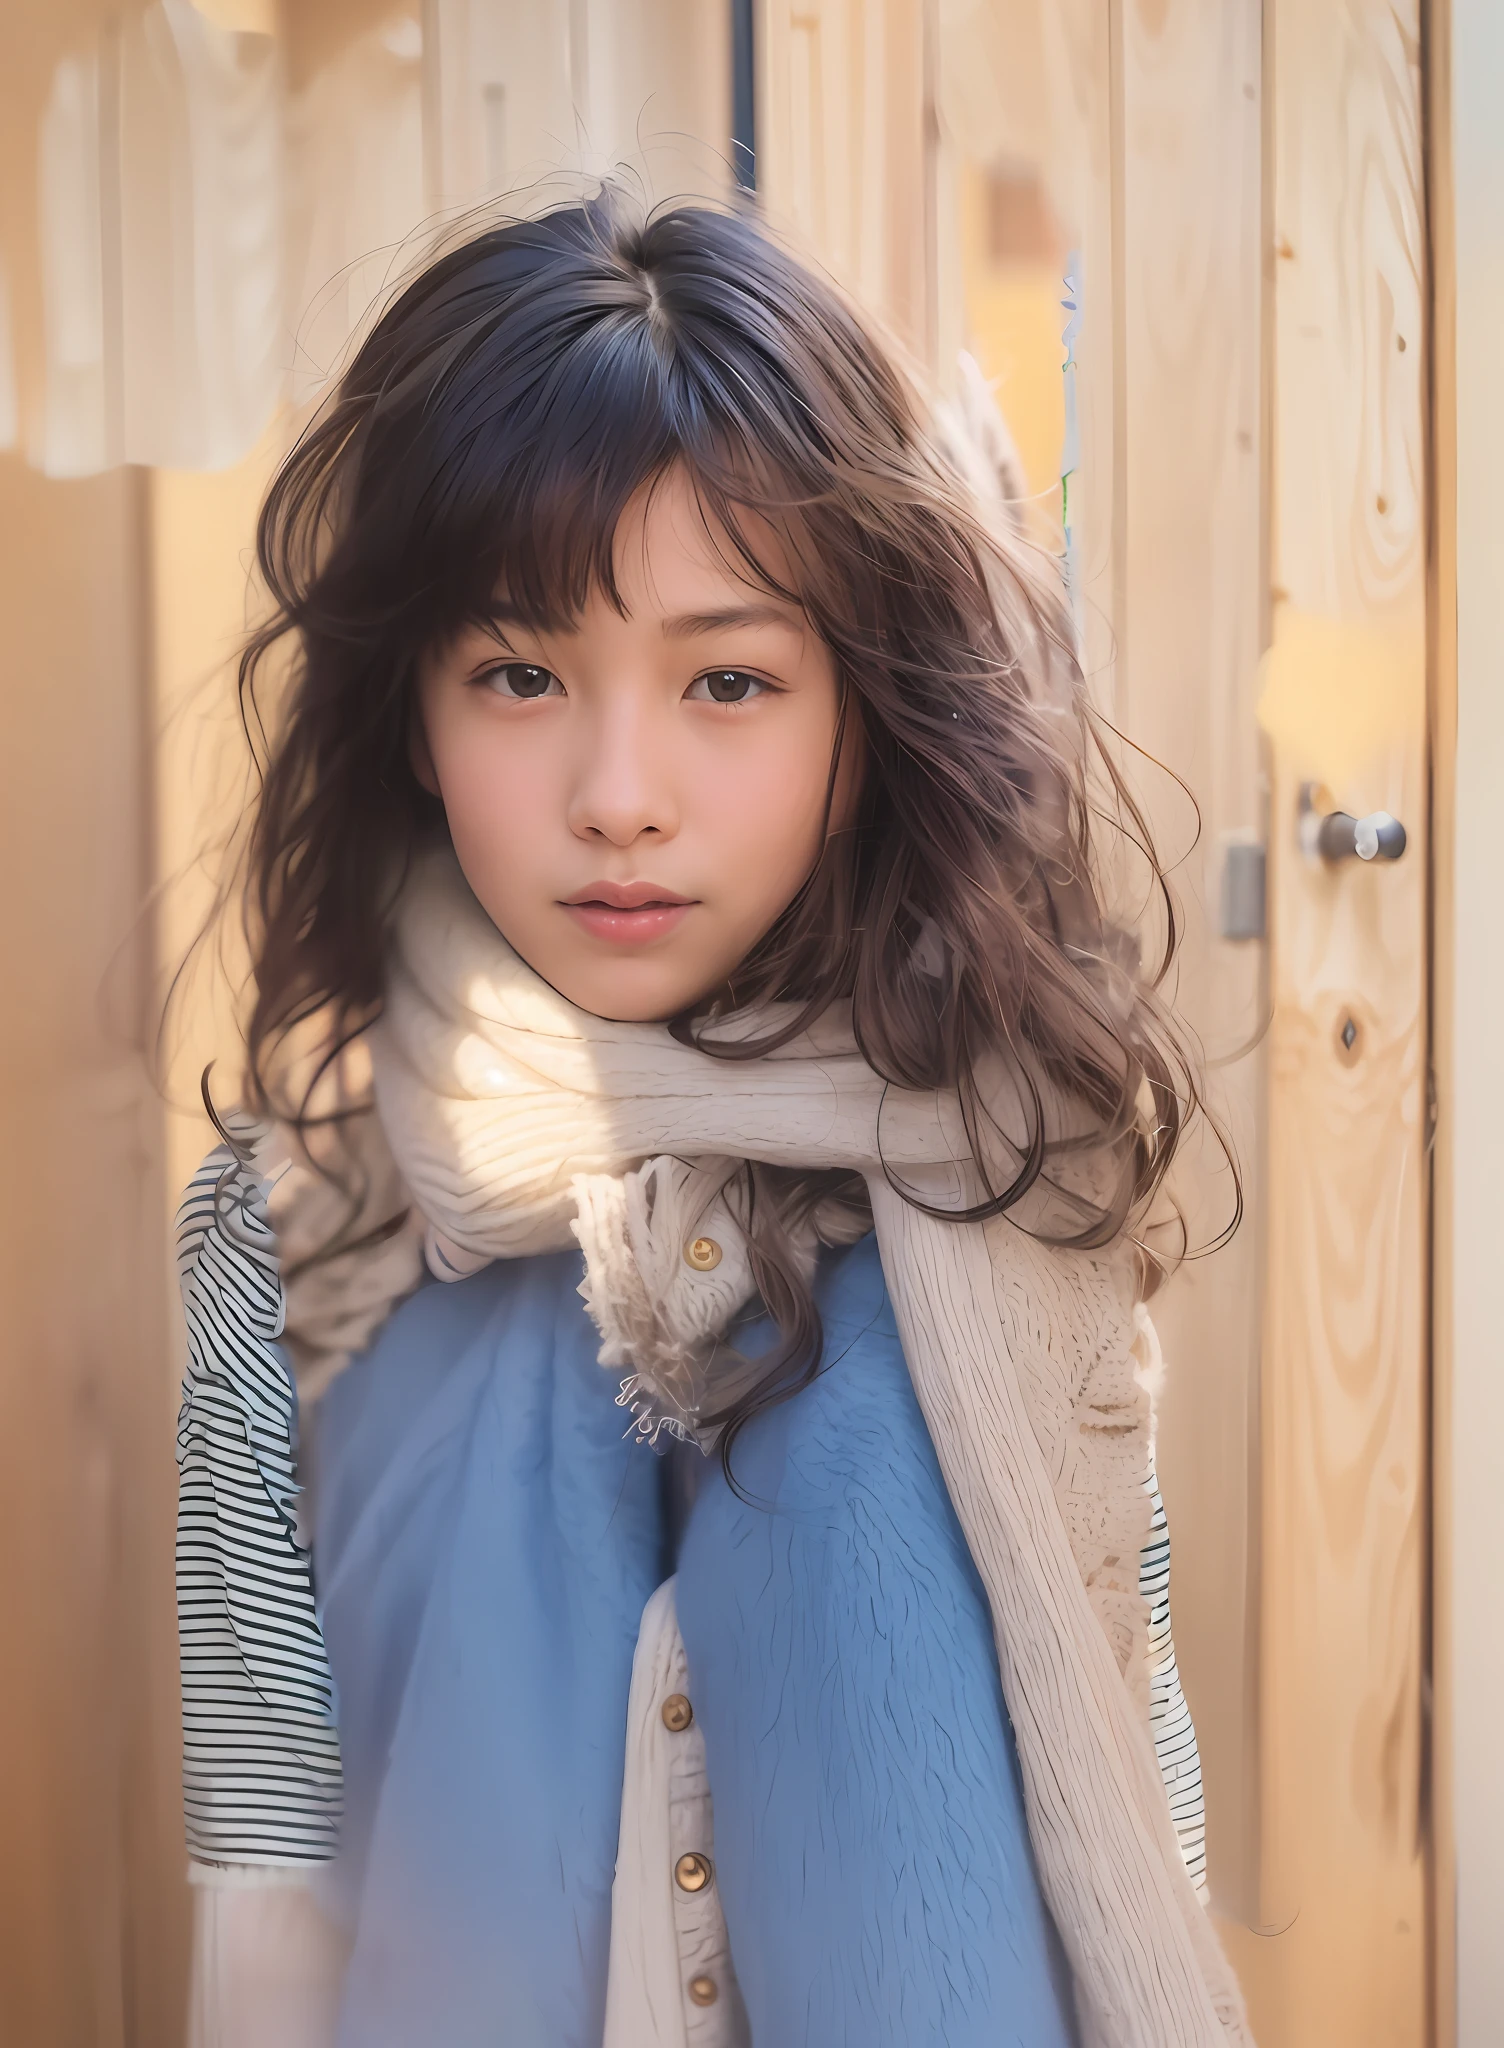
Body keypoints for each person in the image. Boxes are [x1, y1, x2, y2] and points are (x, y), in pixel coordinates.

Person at [175, 191, 1248, 2048]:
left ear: (861, 724)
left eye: (728, 682)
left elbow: (1129, 1768)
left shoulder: (1010, 1164)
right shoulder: (294, 1221)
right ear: (415, 718)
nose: (617, 795)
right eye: (519, 675)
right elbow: (271, 1860)